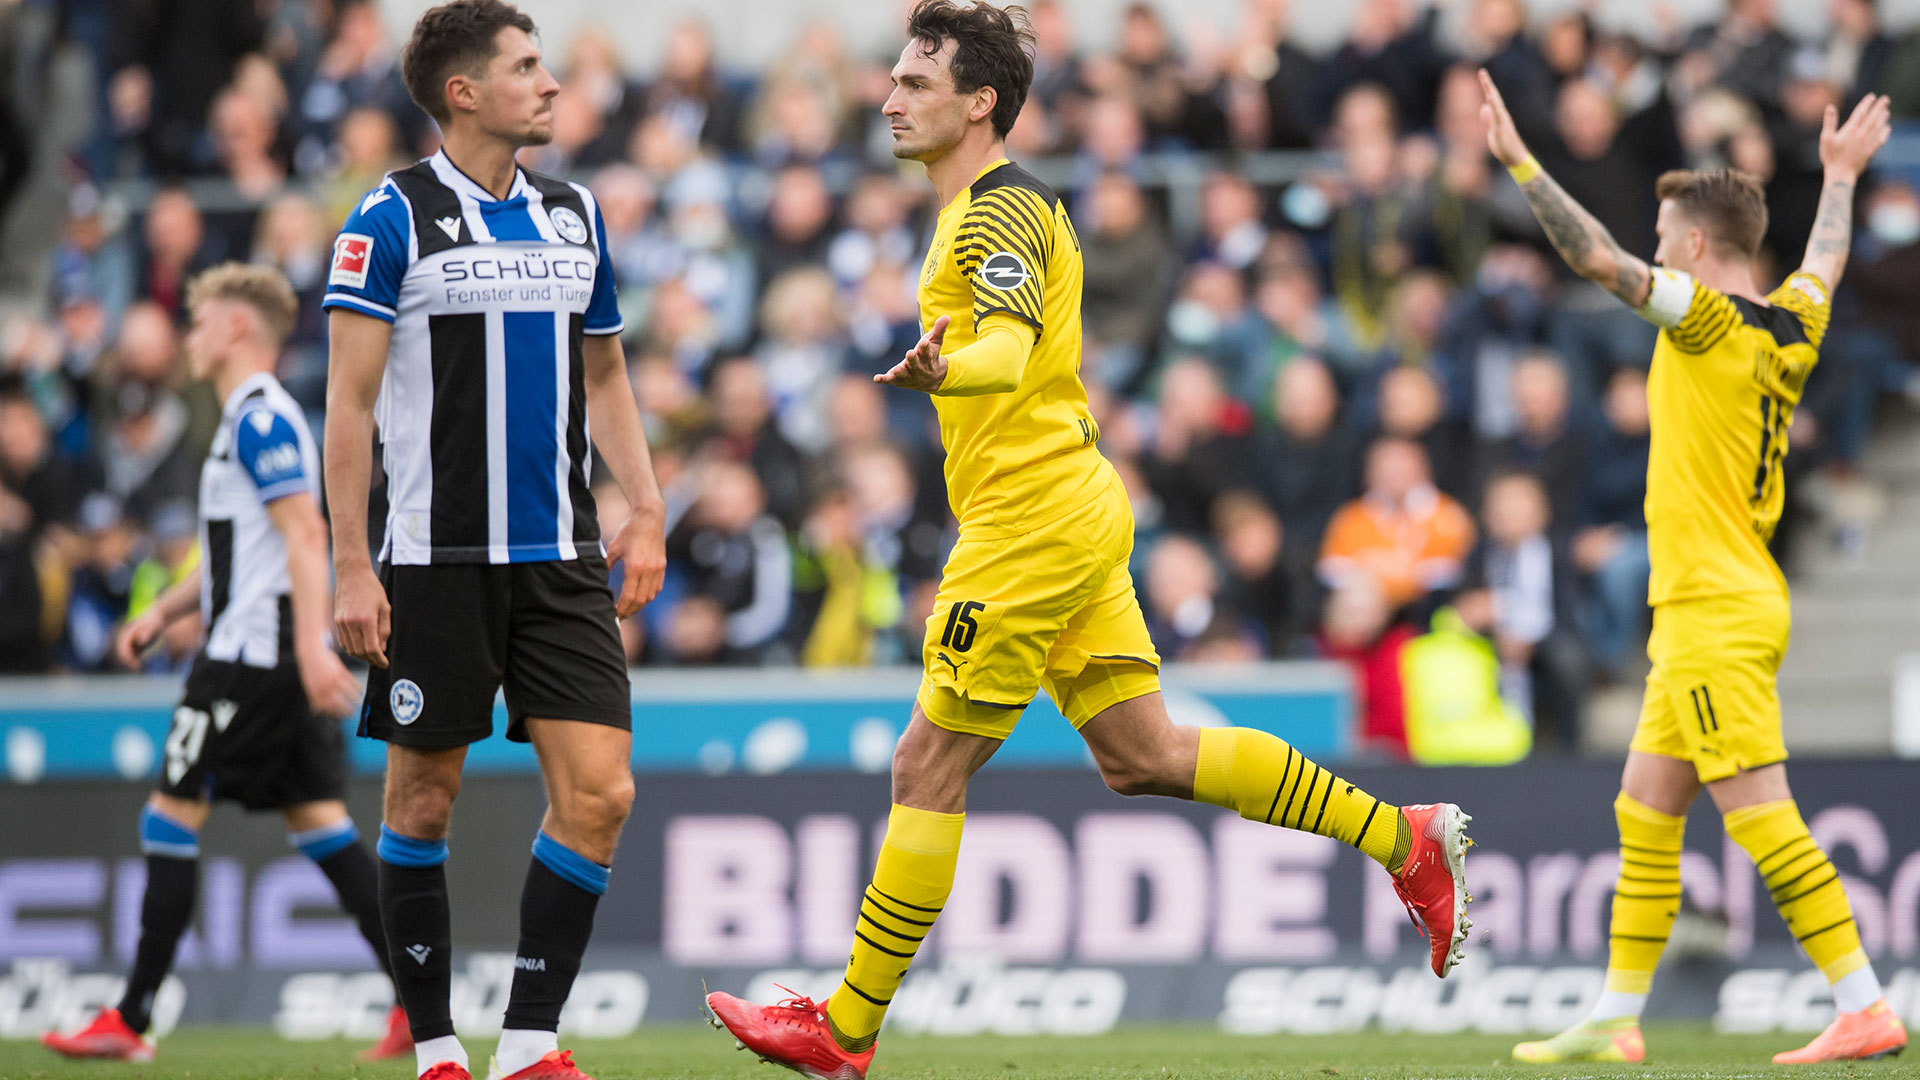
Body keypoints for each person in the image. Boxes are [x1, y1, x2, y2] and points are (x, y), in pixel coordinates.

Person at [704, 6, 1472, 1078]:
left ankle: (846, 1027)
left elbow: (1006, 353)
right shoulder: (995, 211)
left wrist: (941, 369)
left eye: (915, 82)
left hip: (1030, 517)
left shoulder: (994, 214)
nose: (888, 99)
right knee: (1142, 755)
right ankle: (1405, 836)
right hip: (1064, 500)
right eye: (893, 80)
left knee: (926, 762)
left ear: (979, 103)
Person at [1479, 69, 1907, 1064]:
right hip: (1714, 602)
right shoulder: (1793, 323)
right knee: (1645, 806)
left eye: (1667, 231)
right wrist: (1838, 175)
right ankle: (1617, 1013)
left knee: (1758, 815)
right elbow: (1827, 263)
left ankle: (1863, 1003)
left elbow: (1596, 259)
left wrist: (1521, 163)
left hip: (1715, 605)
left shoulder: (1708, 320)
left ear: (1699, 248)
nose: (1656, 240)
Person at [319, 3, 668, 1079]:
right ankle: (434, 1048)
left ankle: (527, 1044)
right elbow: (347, 404)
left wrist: (644, 506)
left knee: (603, 792)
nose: (551, 83)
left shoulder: (574, 213)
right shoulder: (390, 219)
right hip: (433, 558)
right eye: (526, 67)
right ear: (463, 92)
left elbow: (604, 371)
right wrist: (350, 562)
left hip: (561, 555)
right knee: (423, 798)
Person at [39, 265, 410, 1064]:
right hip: (265, 649)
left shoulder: (260, 419)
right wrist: (165, 612)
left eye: (201, 322)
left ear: (238, 328)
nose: (190, 337)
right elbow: (239, 552)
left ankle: (132, 1020)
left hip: (250, 659)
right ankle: (420, 1001)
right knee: (323, 826)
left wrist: (314, 649)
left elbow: (305, 537)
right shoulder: (249, 417)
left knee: (168, 814)